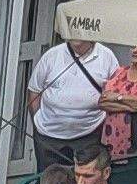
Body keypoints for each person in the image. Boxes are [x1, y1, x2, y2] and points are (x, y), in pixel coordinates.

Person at [26, 34, 124, 171]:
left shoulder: (107, 57)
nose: (76, 33)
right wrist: (37, 121)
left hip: (89, 135)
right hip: (48, 137)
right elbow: (34, 90)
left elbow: (116, 92)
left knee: (86, 183)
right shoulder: (52, 55)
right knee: (50, 183)